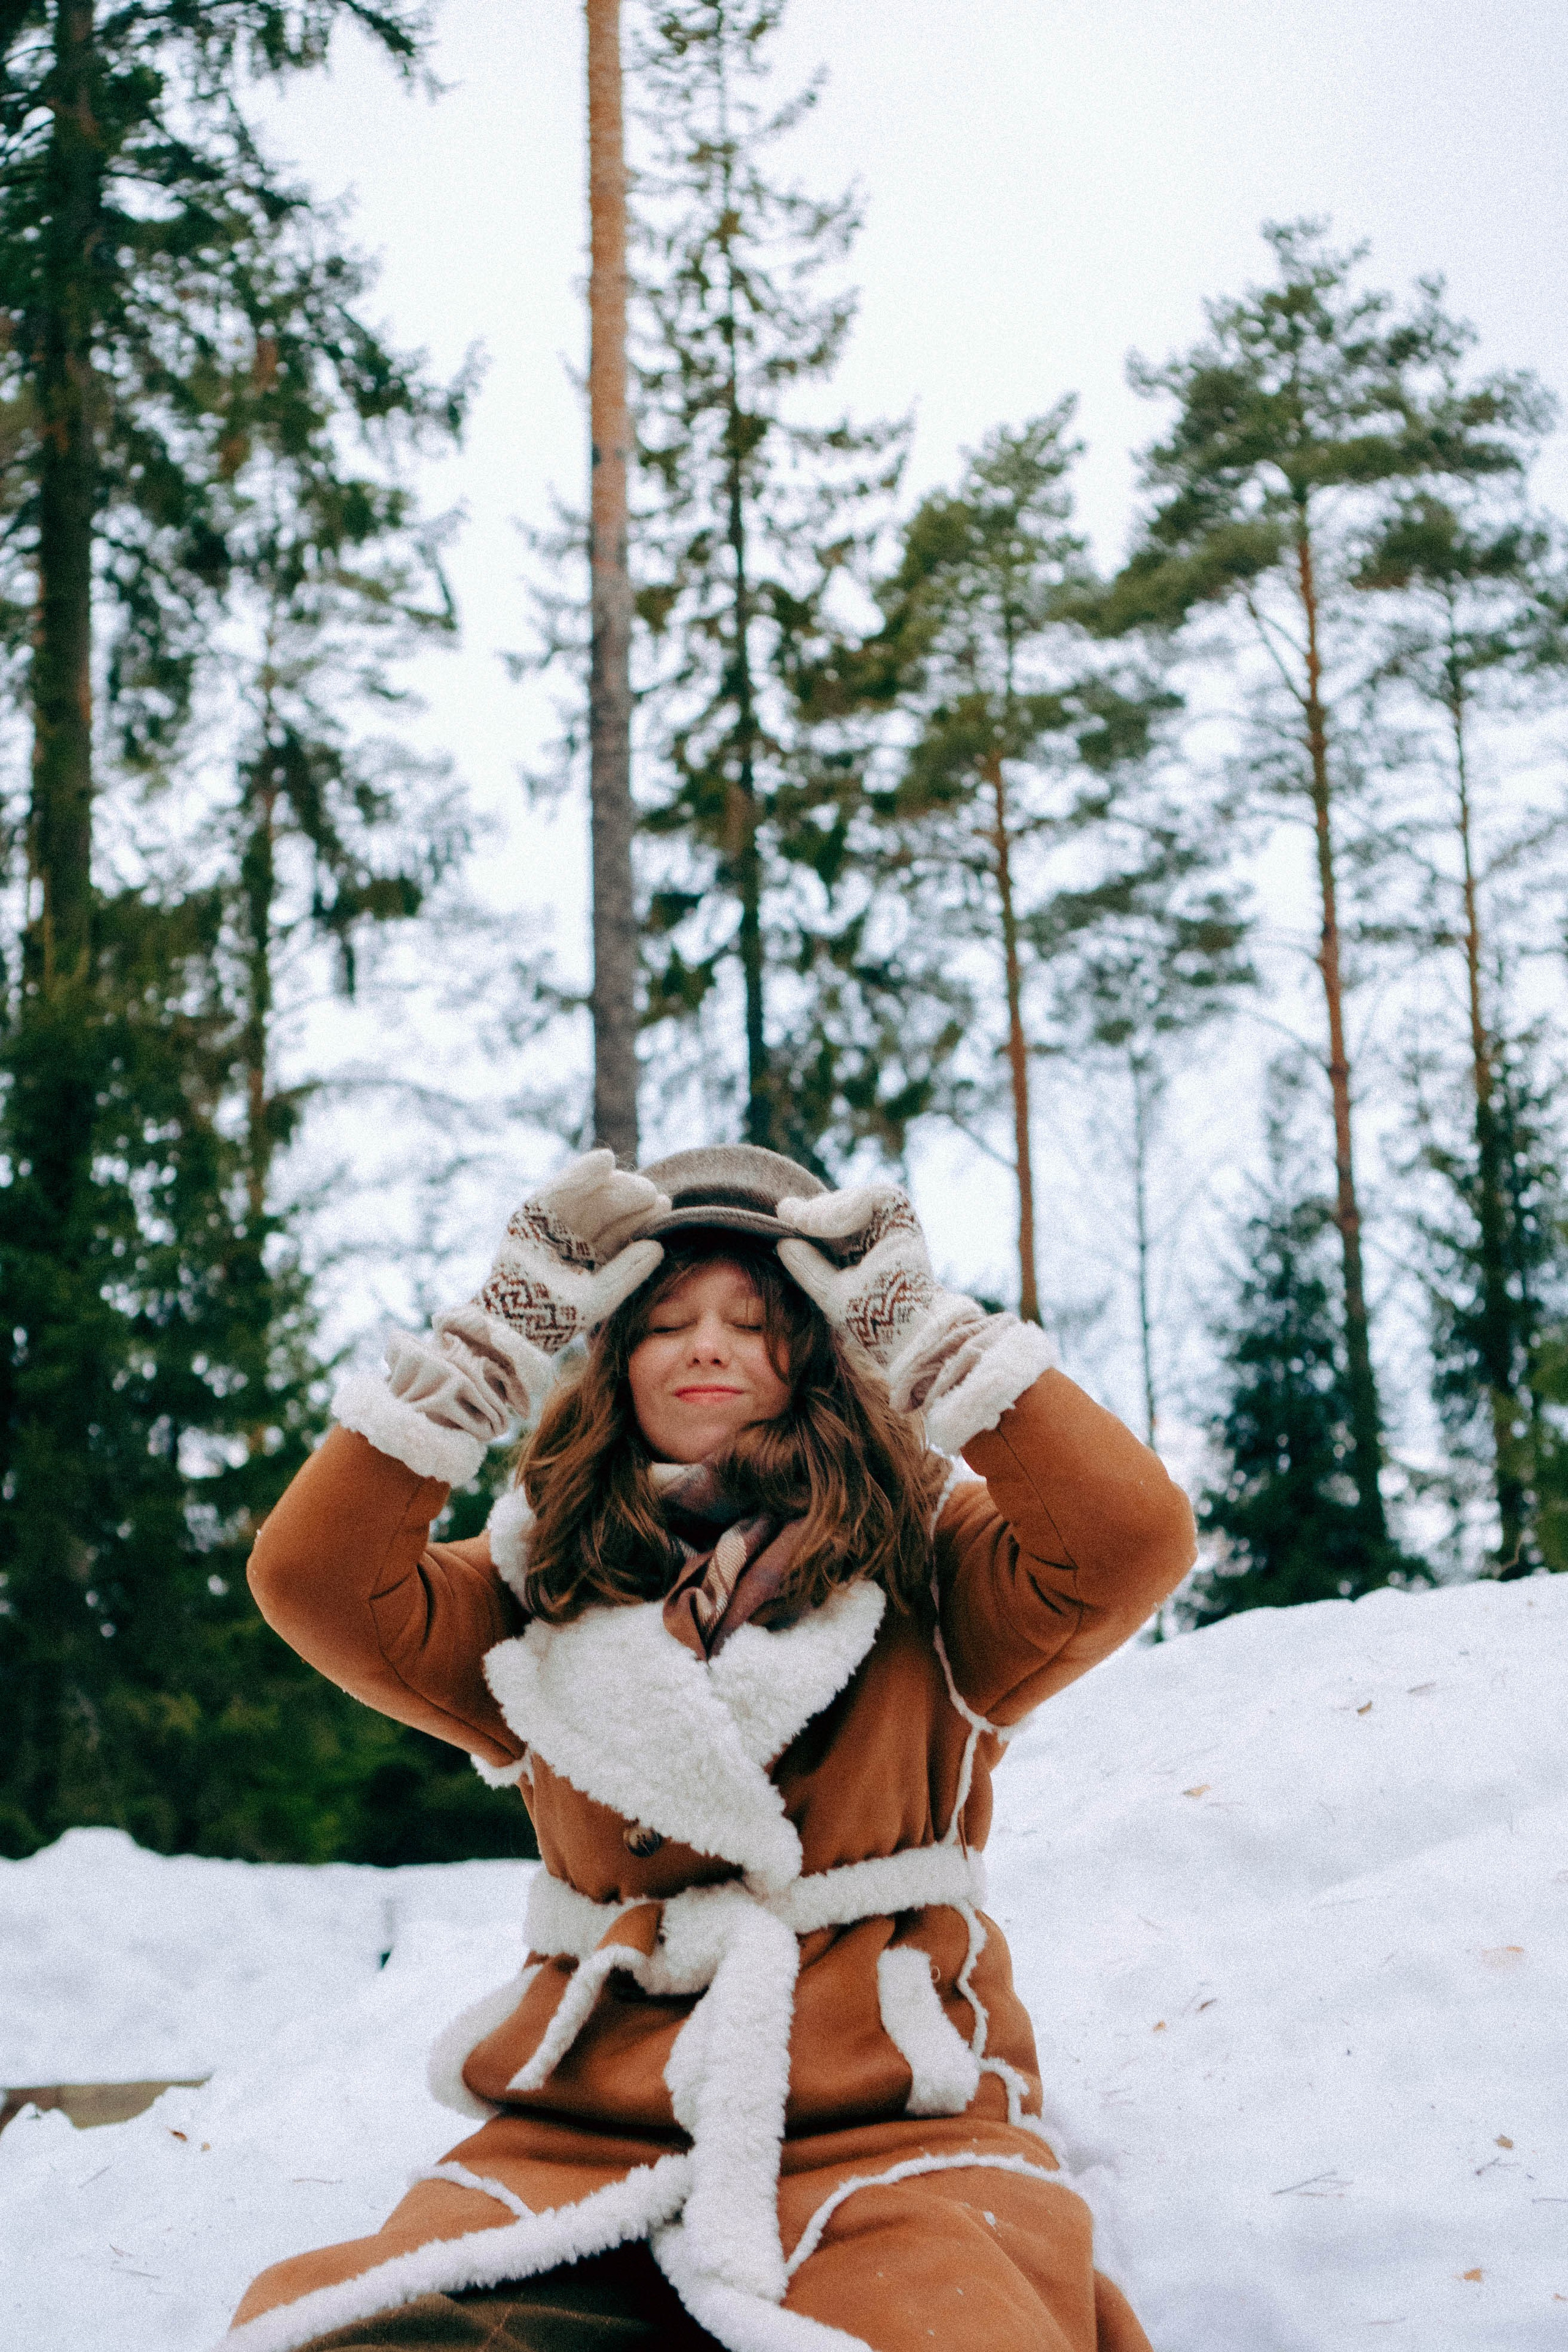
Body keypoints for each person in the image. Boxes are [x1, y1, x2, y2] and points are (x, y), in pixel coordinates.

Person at [225, 1145, 1195, 2352]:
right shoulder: (538, 1585)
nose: (705, 1345)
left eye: (757, 1321)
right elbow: (310, 1580)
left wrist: (923, 1332)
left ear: (824, 1353)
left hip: (894, 2129)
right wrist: (492, 1340)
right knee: (370, 2337)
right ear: (612, 1357)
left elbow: (1129, 1540)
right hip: (578, 2134)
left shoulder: (932, 1566)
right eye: (664, 1321)